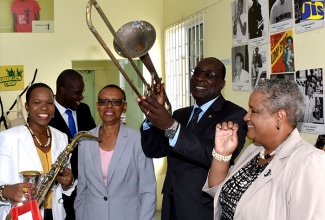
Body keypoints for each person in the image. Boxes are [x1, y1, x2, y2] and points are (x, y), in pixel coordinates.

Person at [136, 57, 248, 220]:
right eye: (196, 72)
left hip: (201, 210)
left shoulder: (235, 115)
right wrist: (152, 116)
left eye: (209, 74)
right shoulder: (181, 114)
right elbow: (153, 149)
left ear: (221, 84)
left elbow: (214, 155)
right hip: (170, 206)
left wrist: (170, 126)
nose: (200, 78)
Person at [203, 79, 325, 219]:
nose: (246, 117)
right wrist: (222, 153)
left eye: (253, 111)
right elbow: (221, 191)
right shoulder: (254, 149)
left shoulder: (309, 162)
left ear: (279, 117)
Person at [74, 84, 156, 220]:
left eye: (116, 102)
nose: (109, 106)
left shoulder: (137, 140)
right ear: (97, 106)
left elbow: (148, 190)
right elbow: (82, 188)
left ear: (124, 107)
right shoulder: (85, 139)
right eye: (103, 102)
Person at [0, 83, 75, 220]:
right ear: (27, 107)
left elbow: (65, 180)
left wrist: (68, 182)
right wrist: (7, 191)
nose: (44, 108)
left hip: (55, 213)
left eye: (49, 103)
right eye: (37, 102)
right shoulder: (8, 138)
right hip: (22, 215)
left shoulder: (62, 137)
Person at [48, 69, 96, 220]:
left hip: (88, 186)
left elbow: (92, 141)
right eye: (77, 92)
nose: (81, 97)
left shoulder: (84, 110)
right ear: (63, 90)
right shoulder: (47, 114)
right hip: (61, 190)